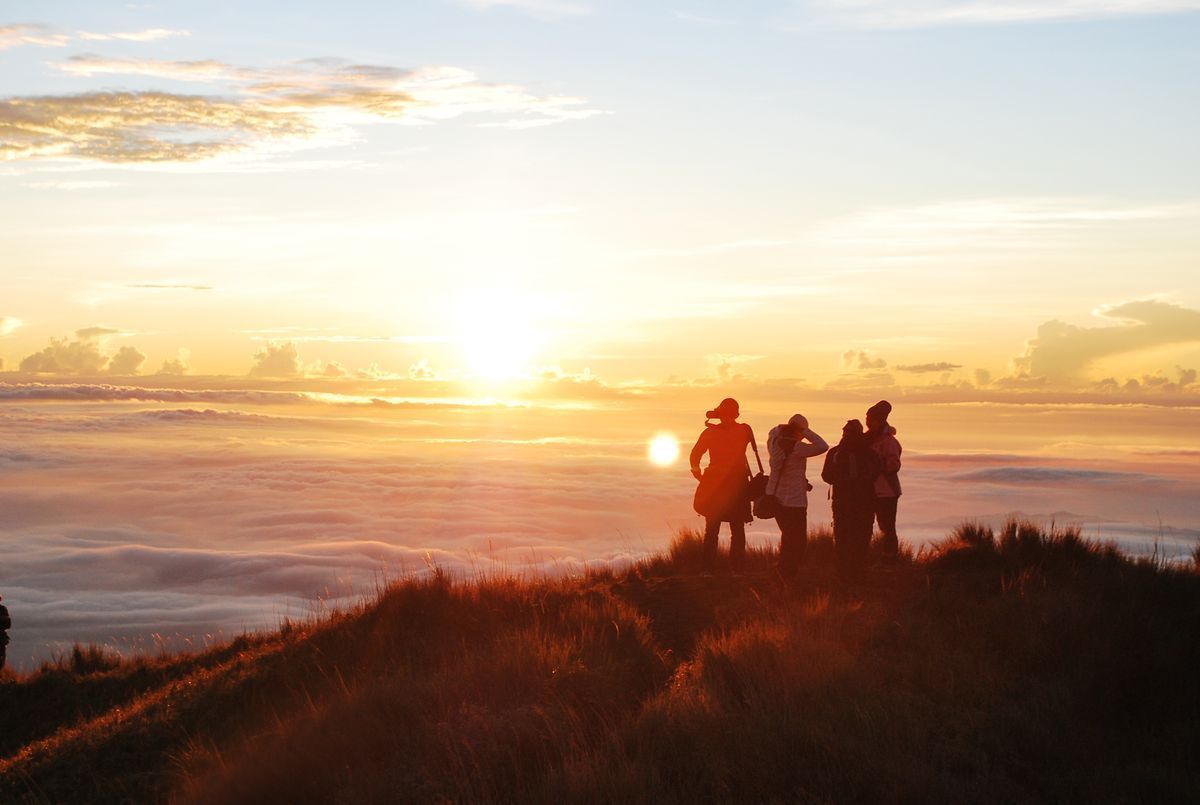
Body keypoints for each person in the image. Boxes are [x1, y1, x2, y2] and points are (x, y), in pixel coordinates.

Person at [690, 398, 758, 571]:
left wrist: (699, 475)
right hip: (738, 483)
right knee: (737, 527)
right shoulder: (744, 430)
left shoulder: (710, 433)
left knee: (712, 528)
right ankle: (737, 569)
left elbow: (695, 455)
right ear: (736, 413)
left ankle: (708, 569)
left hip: (715, 483)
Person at [766, 414, 828, 575]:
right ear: (799, 431)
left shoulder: (773, 443)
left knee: (788, 537)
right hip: (795, 502)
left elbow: (772, 431)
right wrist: (805, 431)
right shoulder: (797, 447)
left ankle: (783, 569)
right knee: (798, 541)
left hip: (776, 498)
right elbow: (822, 446)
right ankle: (786, 571)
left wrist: (785, 427)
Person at [821, 420, 881, 584]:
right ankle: (858, 573)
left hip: (842, 502)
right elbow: (877, 473)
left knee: (842, 537)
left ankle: (844, 573)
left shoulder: (835, 453)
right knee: (862, 537)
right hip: (865, 502)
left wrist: (841, 481)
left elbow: (826, 476)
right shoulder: (870, 453)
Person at [865, 400, 903, 561]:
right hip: (870, 490)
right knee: (866, 525)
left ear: (879, 420)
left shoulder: (889, 442)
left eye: (870, 419)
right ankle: (868, 557)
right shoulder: (867, 439)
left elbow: (894, 465)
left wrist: (876, 464)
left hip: (886, 491)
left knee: (887, 527)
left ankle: (890, 559)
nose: (867, 421)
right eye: (867, 418)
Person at [0, 594, 10, 672]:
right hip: (1, 637)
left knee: (2, 657)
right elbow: (7, 624)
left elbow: (7, 623)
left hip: (1, 637)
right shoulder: (3, 609)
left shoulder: (3, 609)